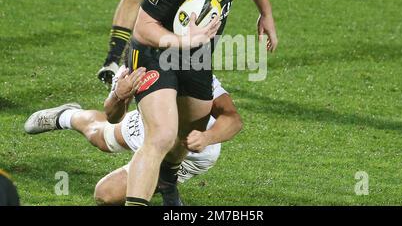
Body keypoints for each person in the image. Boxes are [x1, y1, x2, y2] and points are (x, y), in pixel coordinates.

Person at [127, 0, 278, 206]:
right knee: (162, 135)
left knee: (189, 135)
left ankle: (168, 182)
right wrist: (182, 41)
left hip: (196, 56)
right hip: (155, 54)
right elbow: (142, 29)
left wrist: (266, 12)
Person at [24, 66, 242, 206]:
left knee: (105, 194)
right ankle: (67, 115)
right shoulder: (135, 66)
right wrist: (120, 94)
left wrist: (207, 138)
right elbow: (112, 116)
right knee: (100, 136)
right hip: (151, 128)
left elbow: (233, 119)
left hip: (191, 154)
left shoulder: (196, 73)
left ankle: (166, 186)